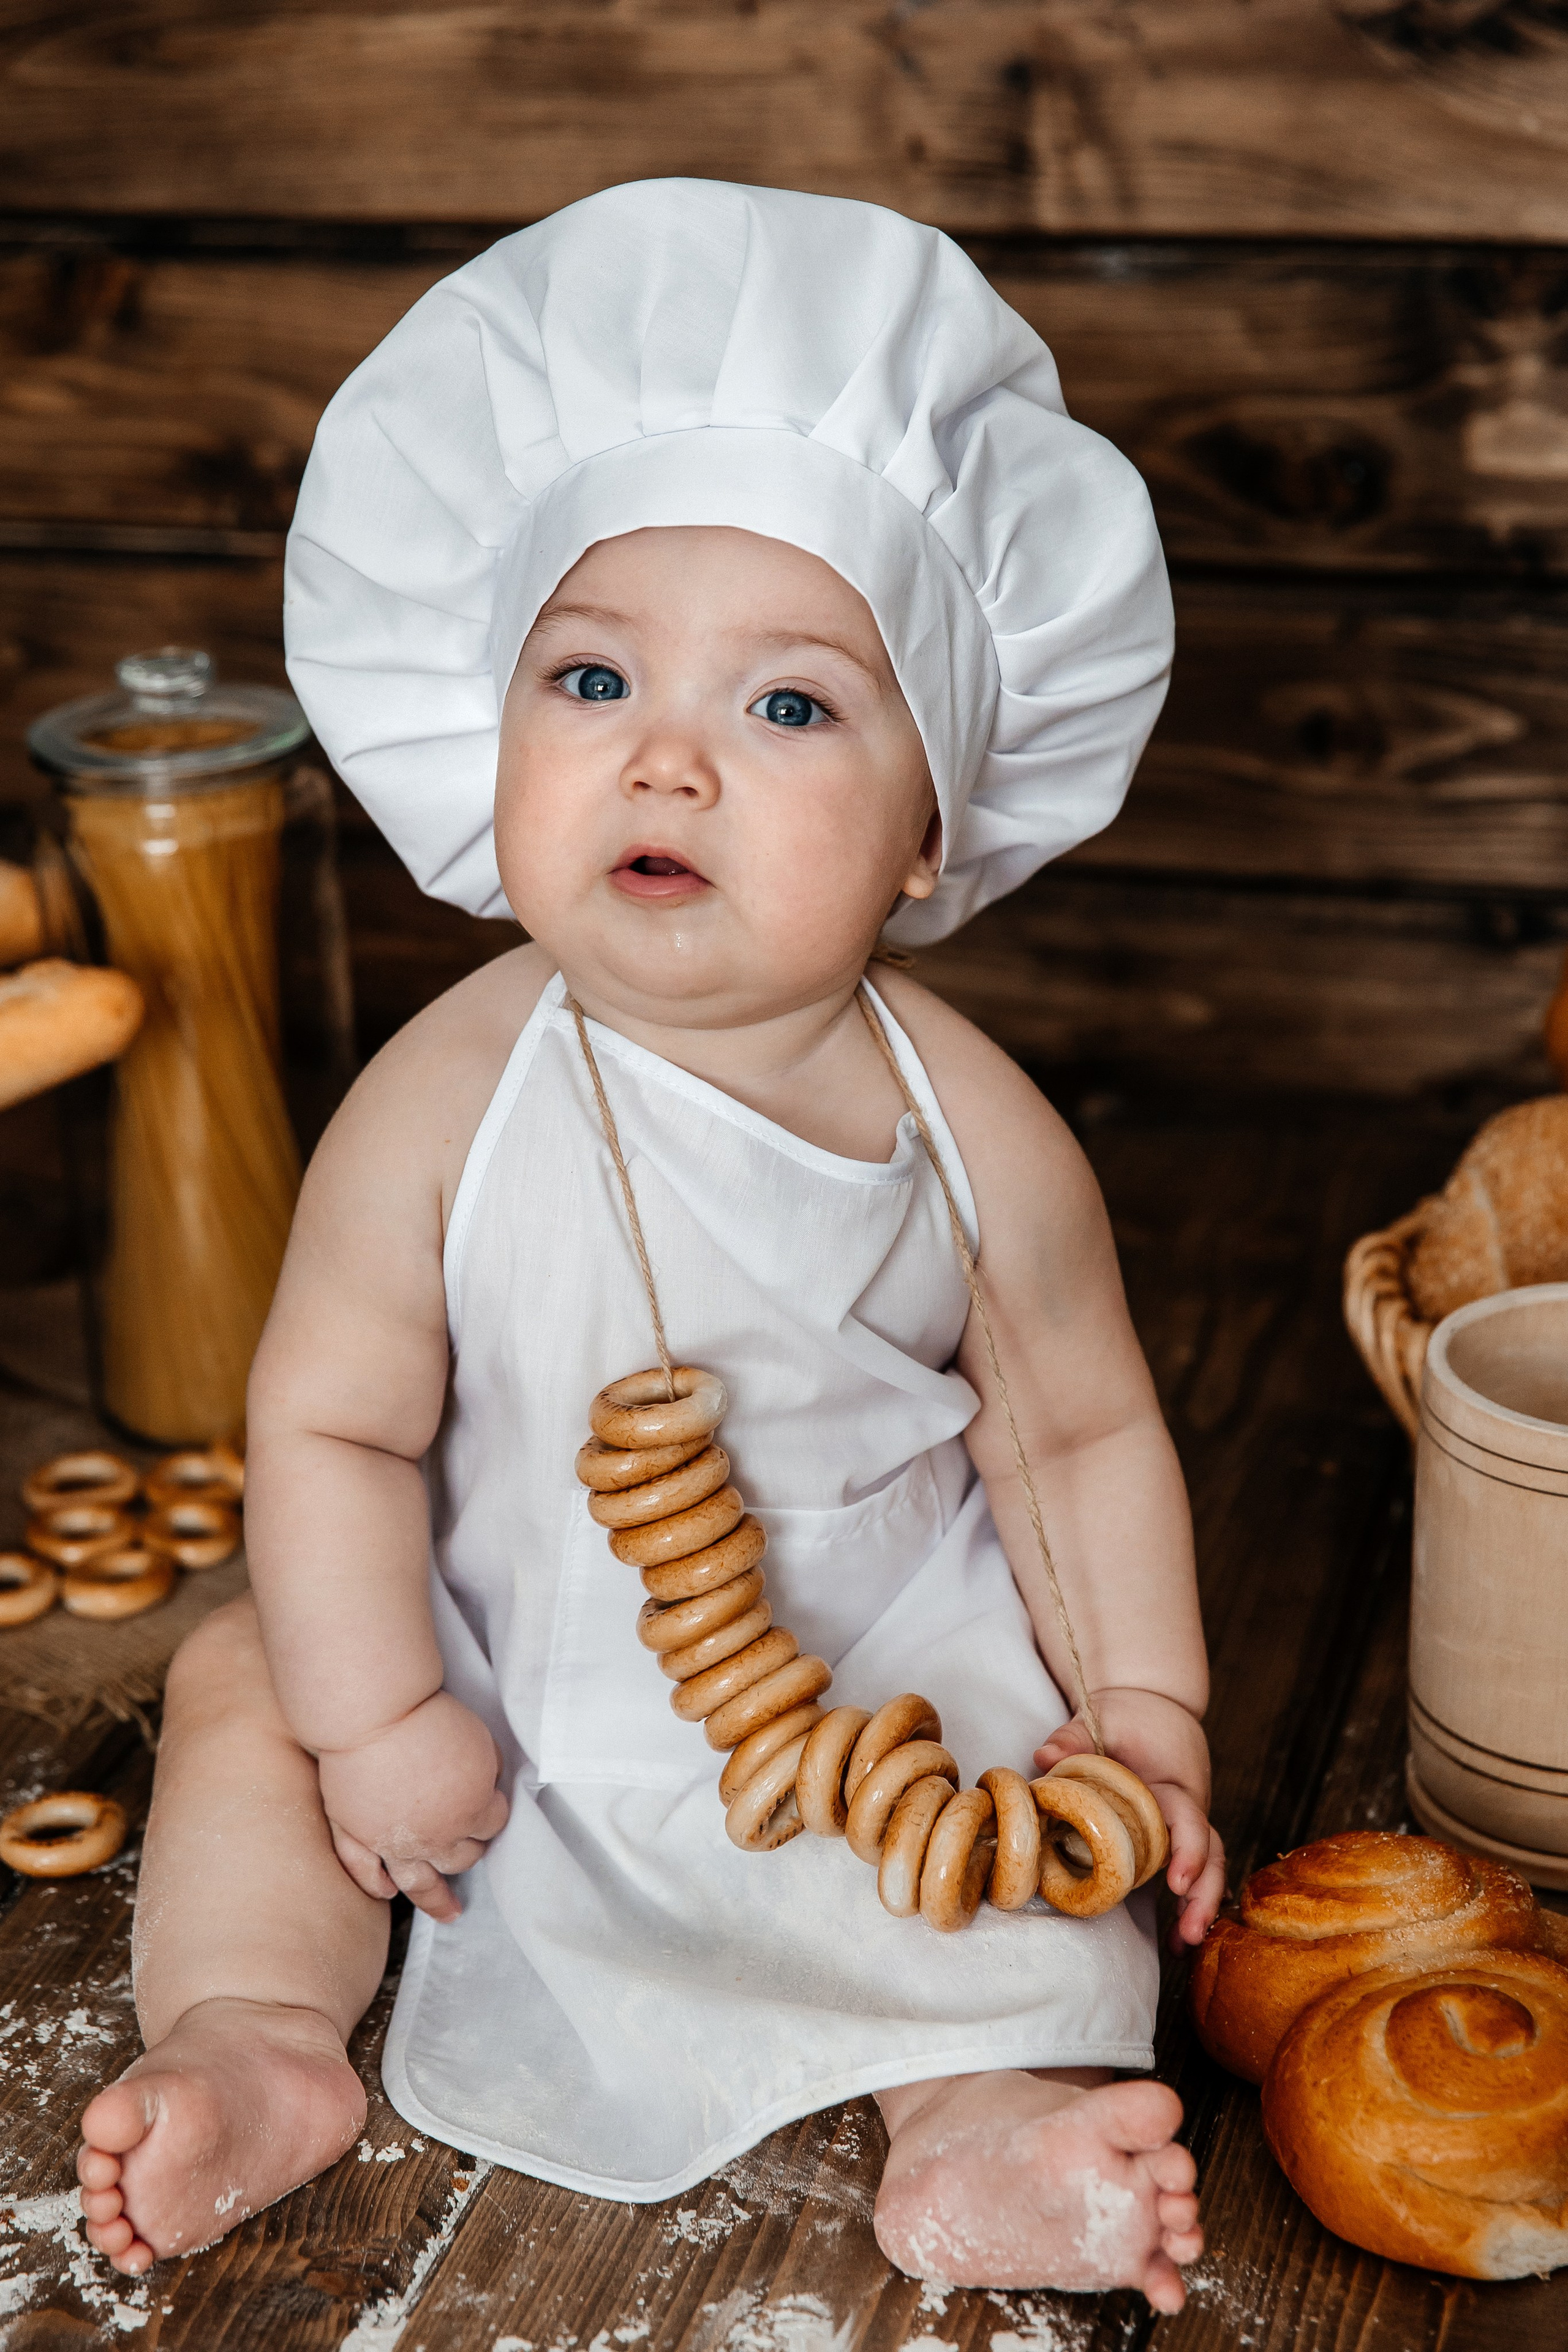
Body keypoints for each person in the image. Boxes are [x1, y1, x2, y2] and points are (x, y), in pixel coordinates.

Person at [74, 181, 1223, 2305]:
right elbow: (325, 1431)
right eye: (590, 676)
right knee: (251, 1686)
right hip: (500, 1684)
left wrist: (1145, 1713)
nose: (668, 753)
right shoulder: (449, 1091)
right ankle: (256, 2034)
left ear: (932, 826)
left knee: (1037, 1863)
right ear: (494, 736)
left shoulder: (967, 1120)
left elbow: (1075, 1436)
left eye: (791, 708)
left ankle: (978, 2133)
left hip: (867, 1683)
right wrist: (387, 1704)